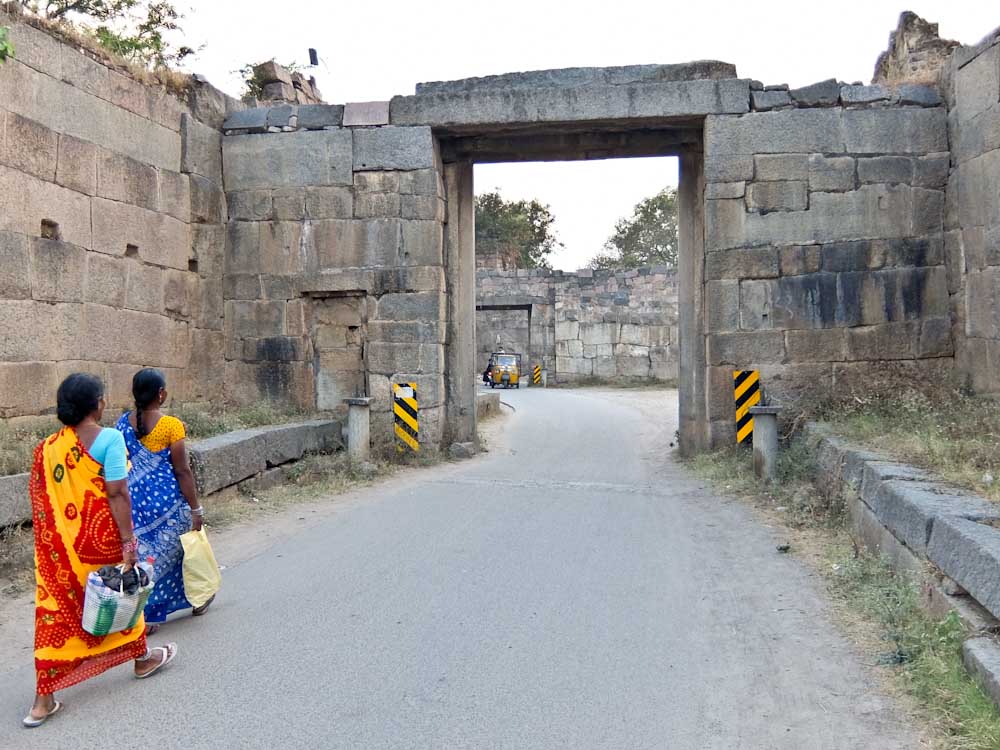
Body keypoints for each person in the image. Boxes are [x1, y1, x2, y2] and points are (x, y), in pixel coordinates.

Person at [25, 373, 177, 728]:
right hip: (101, 541)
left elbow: (43, 503)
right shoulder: (110, 439)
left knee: (55, 614)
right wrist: (128, 543)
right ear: (98, 404)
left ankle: (42, 701)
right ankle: (141, 661)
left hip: (61, 549)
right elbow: (117, 493)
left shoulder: (47, 448)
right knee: (125, 594)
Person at [116, 368, 211, 633]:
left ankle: (148, 611)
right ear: (161, 394)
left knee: (146, 557)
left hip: (136, 506)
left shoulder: (121, 424)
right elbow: (182, 471)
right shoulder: (171, 425)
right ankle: (196, 597)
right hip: (169, 505)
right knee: (184, 550)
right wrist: (196, 508)